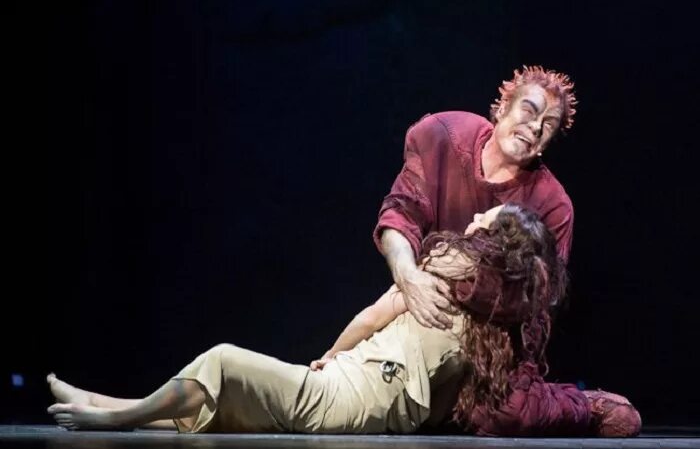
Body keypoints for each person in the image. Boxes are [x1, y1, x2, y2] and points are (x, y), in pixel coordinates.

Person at [46, 204, 640, 436]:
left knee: (224, 361)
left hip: (354, 393)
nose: (477, 214)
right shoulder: (483, 327)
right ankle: (105, 404)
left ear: (494, 240)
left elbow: (371, 314)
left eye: (488, 216)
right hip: (362, 390)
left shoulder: (444, 279)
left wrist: (332, 356)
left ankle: (115, 418)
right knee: (231, 403)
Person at [376, 65, 577, 331]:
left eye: (549, 124)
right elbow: (401, 215)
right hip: (414, 303)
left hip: (485, 338)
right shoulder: (446, 135)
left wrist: (454, 280)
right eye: (529, 110)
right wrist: (408, 275)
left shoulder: (552, 205)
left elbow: (541, 296)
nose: (536, 126)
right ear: (503, 108)